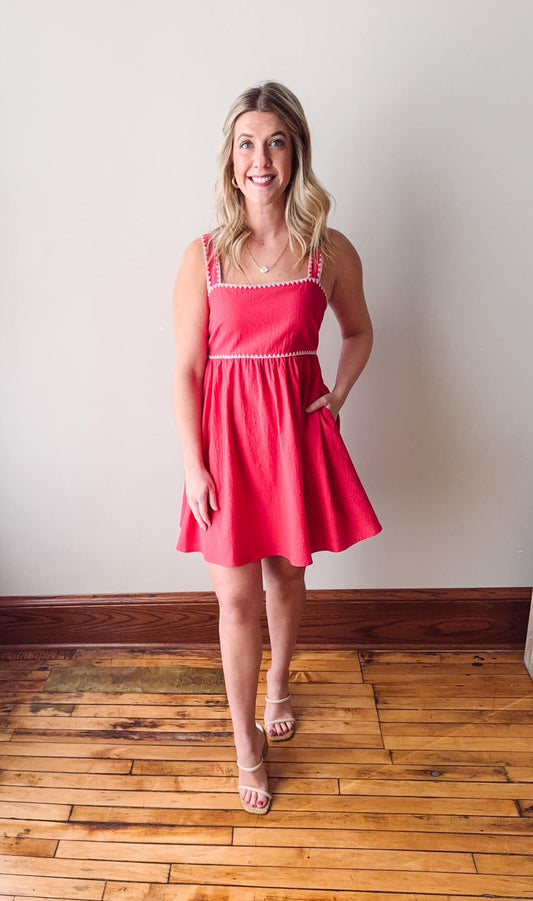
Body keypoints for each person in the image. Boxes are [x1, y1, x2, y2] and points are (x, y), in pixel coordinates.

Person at [173, 82, 381, 815]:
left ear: (295, 154)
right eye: (247, 143)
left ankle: (279, 684)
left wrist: (340, 394)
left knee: (285, 580)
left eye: (276, 142)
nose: (260, 158)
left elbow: (358, 332)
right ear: (231, 161)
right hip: (225, 444)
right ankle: (245, 744)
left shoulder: (328, 250)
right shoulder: (202, 256)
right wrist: (194, 464)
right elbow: (187, 369)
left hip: (292, 437)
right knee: (234, 597)